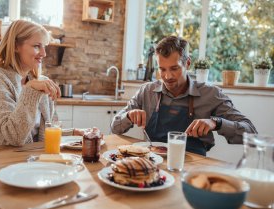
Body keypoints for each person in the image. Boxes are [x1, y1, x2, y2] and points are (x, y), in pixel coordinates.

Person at [110, 36, 257, 156]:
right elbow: (114, 128)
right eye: (162, 69)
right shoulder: (147, 91)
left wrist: (216, 123)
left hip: (193, 165)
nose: (167, 76)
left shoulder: (211, 94)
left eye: (174, 69)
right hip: (152, 162)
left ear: (187, 63)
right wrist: (128, 116)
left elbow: (250, 132)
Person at [0, 20, 64, 146]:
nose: (44, 53)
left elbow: (49, 129)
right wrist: (30, 91)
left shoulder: (40, 81)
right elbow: (14, 136)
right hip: (2, 161)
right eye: (36, 46)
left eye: (44, 47)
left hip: (34, 159)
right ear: (15, 46)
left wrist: (74, 132)